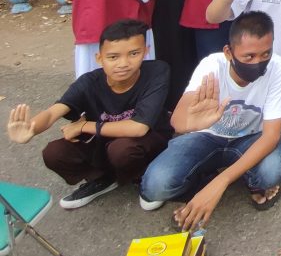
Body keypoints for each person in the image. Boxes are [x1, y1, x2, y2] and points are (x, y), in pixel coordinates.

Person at [140, 11, 281, 222]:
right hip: (206, 136)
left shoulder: (277, 67)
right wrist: (193, 123)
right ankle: (204, 182)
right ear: (229, 52)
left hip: (250, 137)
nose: (259, 62)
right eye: (249, 56)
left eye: (266, 54)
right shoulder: (212, 66)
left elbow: (271, 136)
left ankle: (238, 180)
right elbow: (178, 120)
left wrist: (221, 182)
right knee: (155, 185)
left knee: (271, 173)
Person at [7, 20, 171, 210]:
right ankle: (103, 178)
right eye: (113, 57)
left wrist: (83, 126)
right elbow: (53, 112)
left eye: (134, 54)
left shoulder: (157, 71)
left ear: (145, 51)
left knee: (122, 150)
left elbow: (139, 127)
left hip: (148, 140)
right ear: (99, 58)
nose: (124, 63)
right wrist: (31, 128)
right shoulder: (89, 82)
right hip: (105, 142)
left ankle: (145, 178)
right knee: (54, 153)